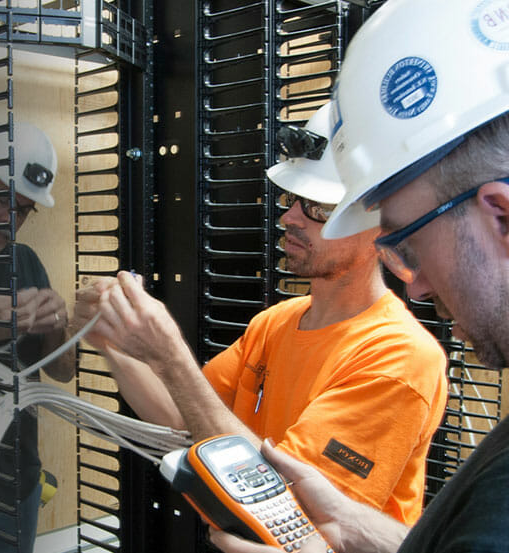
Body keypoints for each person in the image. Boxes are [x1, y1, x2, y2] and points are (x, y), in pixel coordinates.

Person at [210, 1, 509, 552]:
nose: (415, 286)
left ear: (501, 215)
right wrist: (359, 534)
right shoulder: (278, 322)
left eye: (408, 240)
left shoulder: (400, 355)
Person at [73, 103, 448, 527]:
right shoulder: (277, 323)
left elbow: (297, 515)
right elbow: (185, 418)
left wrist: (171, 357)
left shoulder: (399, 358)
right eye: (293, 199)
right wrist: (111, 341)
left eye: (318, 207)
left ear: (383, 223)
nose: (289, 217)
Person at [0, 122, 73, 552]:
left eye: (23, 210)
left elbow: (62, 372)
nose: (11, 220)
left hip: (14, 482)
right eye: (2, 201)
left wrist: (57, 322)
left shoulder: (24, 261)